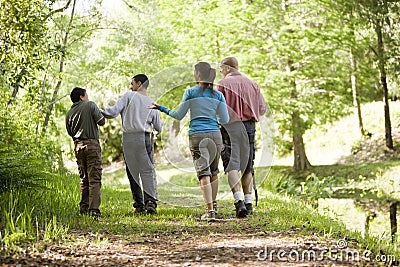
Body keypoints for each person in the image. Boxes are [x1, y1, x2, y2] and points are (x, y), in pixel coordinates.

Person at [149, 62, 229, 222]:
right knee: (213, 172)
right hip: (215, 134)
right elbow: (225, 119)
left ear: (198, 74)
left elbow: (179, 115)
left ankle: (209, 211)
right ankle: (213, 206)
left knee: (203, 173)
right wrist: (213, 118)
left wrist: (161, 108)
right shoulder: (218, 94)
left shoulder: (191, 92)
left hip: (197, 135)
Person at [101, 74, 162, 215]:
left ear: (139, 83)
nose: (130, 86)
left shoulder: (129, 96)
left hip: (129, 138)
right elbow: (159, 127)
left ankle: (139, 205)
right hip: (145, 138)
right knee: (147, 171)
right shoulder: (151, 102)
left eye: (132, 83)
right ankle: (150, 202)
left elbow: (112, 112)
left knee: (133, 172)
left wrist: (97, 111)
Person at [217, 56, 266, 218]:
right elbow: (262, 109)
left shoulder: (223, 84)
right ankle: (249, 202)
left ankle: (239, 203)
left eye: (221, 69)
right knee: (247, 165)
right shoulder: (252, 84)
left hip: (230, 126)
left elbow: (216, 107)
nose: (221, 72)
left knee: (231, 164)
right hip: (249, 127)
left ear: (228, 68)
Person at [66, 87, 105, 218]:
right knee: (94, 177)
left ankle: (84, 208)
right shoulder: (90, 105)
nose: (87, 96)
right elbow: (102, 122)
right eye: (86, 94)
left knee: (84, 179)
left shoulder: (69, 113)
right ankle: (94, 209)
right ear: (82, 97)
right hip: (91, 145)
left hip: (78, 146)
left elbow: (70, 132)